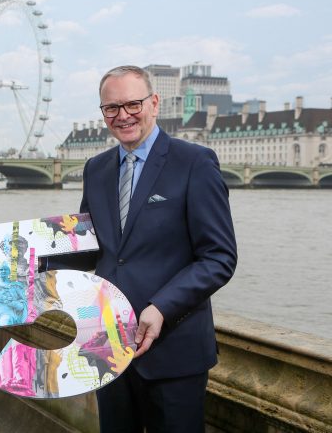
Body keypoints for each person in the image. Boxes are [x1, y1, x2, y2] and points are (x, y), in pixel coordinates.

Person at [76, 65, 237, 432]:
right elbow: (89, 247)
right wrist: (23, 264)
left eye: (133, 104)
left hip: (173, 349)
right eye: (111, 108)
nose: (123, 115)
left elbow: (219, 257)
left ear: (154, 102)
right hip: (108, 344)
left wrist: (162, 307)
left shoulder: (194, 162)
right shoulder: (96, 169)